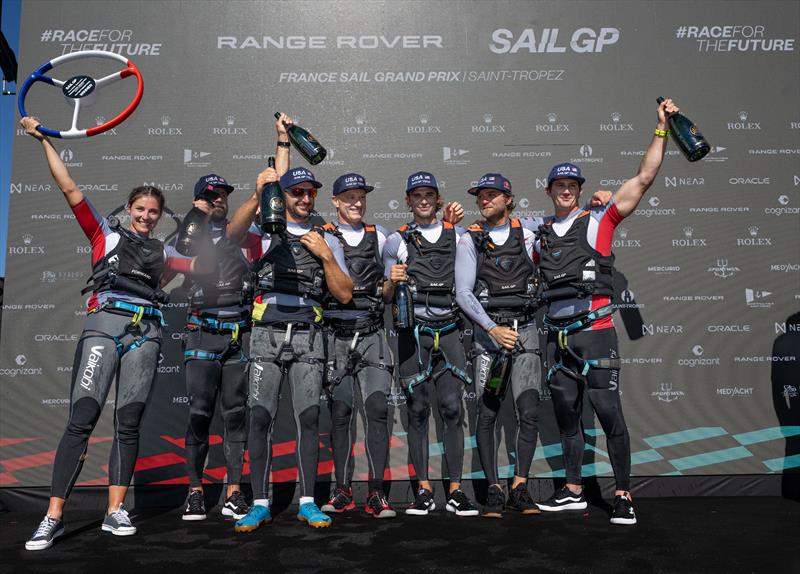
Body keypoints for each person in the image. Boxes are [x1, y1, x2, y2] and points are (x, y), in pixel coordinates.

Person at [20, 116, 199, 550]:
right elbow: (70, 190)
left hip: (146, 334)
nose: (146, 216)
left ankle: (115, 511)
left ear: (159, 217)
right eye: (140, 209)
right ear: (129, 208)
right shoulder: (105, 235)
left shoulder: (166, 251)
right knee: (81, 420)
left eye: (153, 212)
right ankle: (53, 516)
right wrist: (45, 140)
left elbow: (208, 266)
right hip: (105, 327)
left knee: (128, 424)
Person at [534, 98, 680, 525]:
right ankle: (574, 491)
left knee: (609, 413)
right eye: (559, 185)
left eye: (572, 185)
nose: (566, 189)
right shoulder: (537, 232)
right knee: (566, 415)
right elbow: (499, 234)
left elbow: (645, 177)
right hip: (557, 337)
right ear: (548, 190)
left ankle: (624, 495)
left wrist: (660, 129)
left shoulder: (601, 220)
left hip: (595, 332)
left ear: (579, 190)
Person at [176, 115, 291, 522]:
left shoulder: (248, 232)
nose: (216, 199)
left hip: (240, 333)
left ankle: (233, 491)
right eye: (208, 195)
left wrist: (282, 141)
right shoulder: (186, 235)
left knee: (236, 413)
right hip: (201, 332)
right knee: (199, 413)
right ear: (195, 201)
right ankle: (194, 490)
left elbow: (272, 186)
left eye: (221, 194)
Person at [229, 165, 353, 532]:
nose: (304, 198)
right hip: (265, 335)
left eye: (309, 192)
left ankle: (308, 502)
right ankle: (260, 503)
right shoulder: (265, 231)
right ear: (282, 196)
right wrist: (256, 194)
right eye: (296, 191)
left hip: (308, 337)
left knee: (309, 420)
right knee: (261, 417)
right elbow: (233, 235)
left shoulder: (325, 237)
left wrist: (326, 257)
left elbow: (344, 294)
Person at [383, 171, 478, 517]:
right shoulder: (395, 241)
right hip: (414, 333)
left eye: (429, 194)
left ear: (438, 199)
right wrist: (391, 282)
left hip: (450, 329)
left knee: (453, 409)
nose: (423, 200)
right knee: (418, 411)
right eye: (416, 195)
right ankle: (423, 490)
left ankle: (455, 490)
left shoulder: (460, 234)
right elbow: (384, 294)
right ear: (407, 200)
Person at [455, 173, 542, 518]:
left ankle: (519, 487)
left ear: (509, 198)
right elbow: (462, 292)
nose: (485, 199)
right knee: (487, 414)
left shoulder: (531, 233)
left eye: (493, 194)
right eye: (481, 195)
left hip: (526, 331)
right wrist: (492, 329)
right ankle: (493, 490)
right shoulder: (470, 239)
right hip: (489, 337)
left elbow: (564, 227)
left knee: (530, 411)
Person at [318, 173, 396, 518]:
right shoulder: (322, 236)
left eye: (361, 197)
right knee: (340, 413)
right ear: (335, 201)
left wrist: (392, 283)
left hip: (372, 334)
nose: (356, 202)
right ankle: (342, 491)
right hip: (335, 335)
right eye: (348, 197)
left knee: (377, 410)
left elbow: (389, 292)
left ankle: (377, 493)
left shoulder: (379, 236)